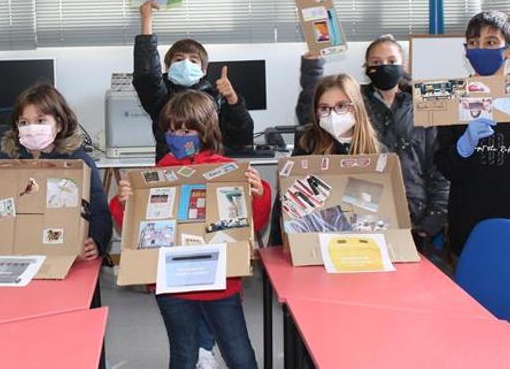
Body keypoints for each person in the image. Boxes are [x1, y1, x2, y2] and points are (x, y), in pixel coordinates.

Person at [109, 90, 271, 369]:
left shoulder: (228, 170)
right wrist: (124, 201)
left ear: (206, 130)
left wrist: (259, 194)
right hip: (172, 284)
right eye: (172, 130)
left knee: (239, 355)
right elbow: (133, 227)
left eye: (186, 130)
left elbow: (253, 222)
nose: (178, 136)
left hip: (220, 283)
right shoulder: (159, 172)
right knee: (183, 354)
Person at [435, 11, 510, 254]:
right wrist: (463, 147)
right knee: (466, 289)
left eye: (491, 43)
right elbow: (445, 166)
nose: (480, 49)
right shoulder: (453, 99)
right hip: (467, 225)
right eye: (473, 43)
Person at [0, 83, 112, 259]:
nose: (32, 128)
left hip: (65, 252)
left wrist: (97, 241)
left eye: (40, 121)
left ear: (59, 124)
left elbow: (100, 213)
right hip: (19, 250)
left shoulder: (78, 162)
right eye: (24, 122)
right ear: (17, 127)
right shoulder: (7, 162)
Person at [268, 73, 383, 246]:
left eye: (341, 106)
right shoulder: (307, 145)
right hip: (313, 244)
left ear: (356, 106)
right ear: (316, 112)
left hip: (361, 245)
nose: (333, 114)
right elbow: (287, 206)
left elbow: (384, 207)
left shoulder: (377, 153)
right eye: (324, 108)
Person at [133, 0, 254, 162]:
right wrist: (146, 20)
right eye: (178, 59)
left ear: (204, 70)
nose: (185, 64)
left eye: (193, 60)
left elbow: (242, 138)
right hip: (170, 170)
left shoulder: (215, 98)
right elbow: (147, 75)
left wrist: (233, 99)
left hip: (210, 170)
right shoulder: (161, 99)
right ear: (167, 68)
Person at [361, 35, 450, 248]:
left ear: (404, 64)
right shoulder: (355, 103)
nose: (384, 67)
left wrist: (433, 220)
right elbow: (313, 114)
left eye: (392, 61)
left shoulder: (423, 104)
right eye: (376, 62)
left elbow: (439, 167)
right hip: (366, 214)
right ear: (366, 66)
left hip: (415, 218)